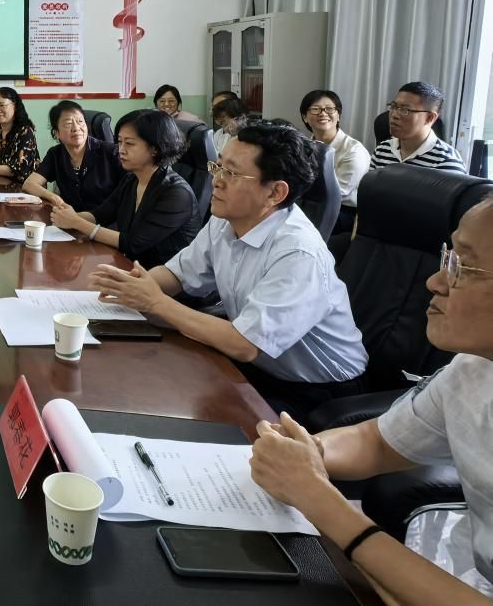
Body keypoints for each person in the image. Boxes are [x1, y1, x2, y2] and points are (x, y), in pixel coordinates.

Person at [250, 196, 493, 601]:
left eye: (464, 267)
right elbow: (377, 442)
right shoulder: (474, 369)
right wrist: (308, 452)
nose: (435, 282)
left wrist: (320, 501)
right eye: (449, 257)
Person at [89, 121, 368, 418]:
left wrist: (155, 302)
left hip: (316, 389)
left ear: (275, 193)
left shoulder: (298, 253)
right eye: (217, 166)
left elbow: (245, 344)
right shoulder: (225, 218)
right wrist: (128, 286)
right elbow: (177, 275)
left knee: (194, 417)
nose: (216, 181)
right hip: (259, 366)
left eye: (231, 173)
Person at [51, 109, 199, 269]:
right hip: (130, 266)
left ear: (155, 148)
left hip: (163, 277)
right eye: (120, 142)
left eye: (129, 143)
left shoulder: (176, 193)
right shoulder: (131, 180)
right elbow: (100, 215)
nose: (120, 149)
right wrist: (68, 217)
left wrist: (77, 222)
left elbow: (133, 243)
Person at [22, 100, 123, 211]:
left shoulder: (111, 152)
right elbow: (29, 184)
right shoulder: (56, 154)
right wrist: (54, 198)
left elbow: (126, 195)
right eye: (68, 124)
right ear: (57, 133)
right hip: (69, 217)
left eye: (80, 121)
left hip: (105, 219)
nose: (76, 128)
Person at [299, 89, 370, 231]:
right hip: (306, 201)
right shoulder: (303, 146)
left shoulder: (354, 150)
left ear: (338, 116)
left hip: (342, 211)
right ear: (305, 117)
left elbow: (339, 193)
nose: (323, 113)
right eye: (315, 109)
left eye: (330, 109)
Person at [371, 82, 465, 173]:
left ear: (430, 118)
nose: (394, 115)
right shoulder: (382, 150)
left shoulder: (447, 162)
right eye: (393, 106)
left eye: (405, 110)